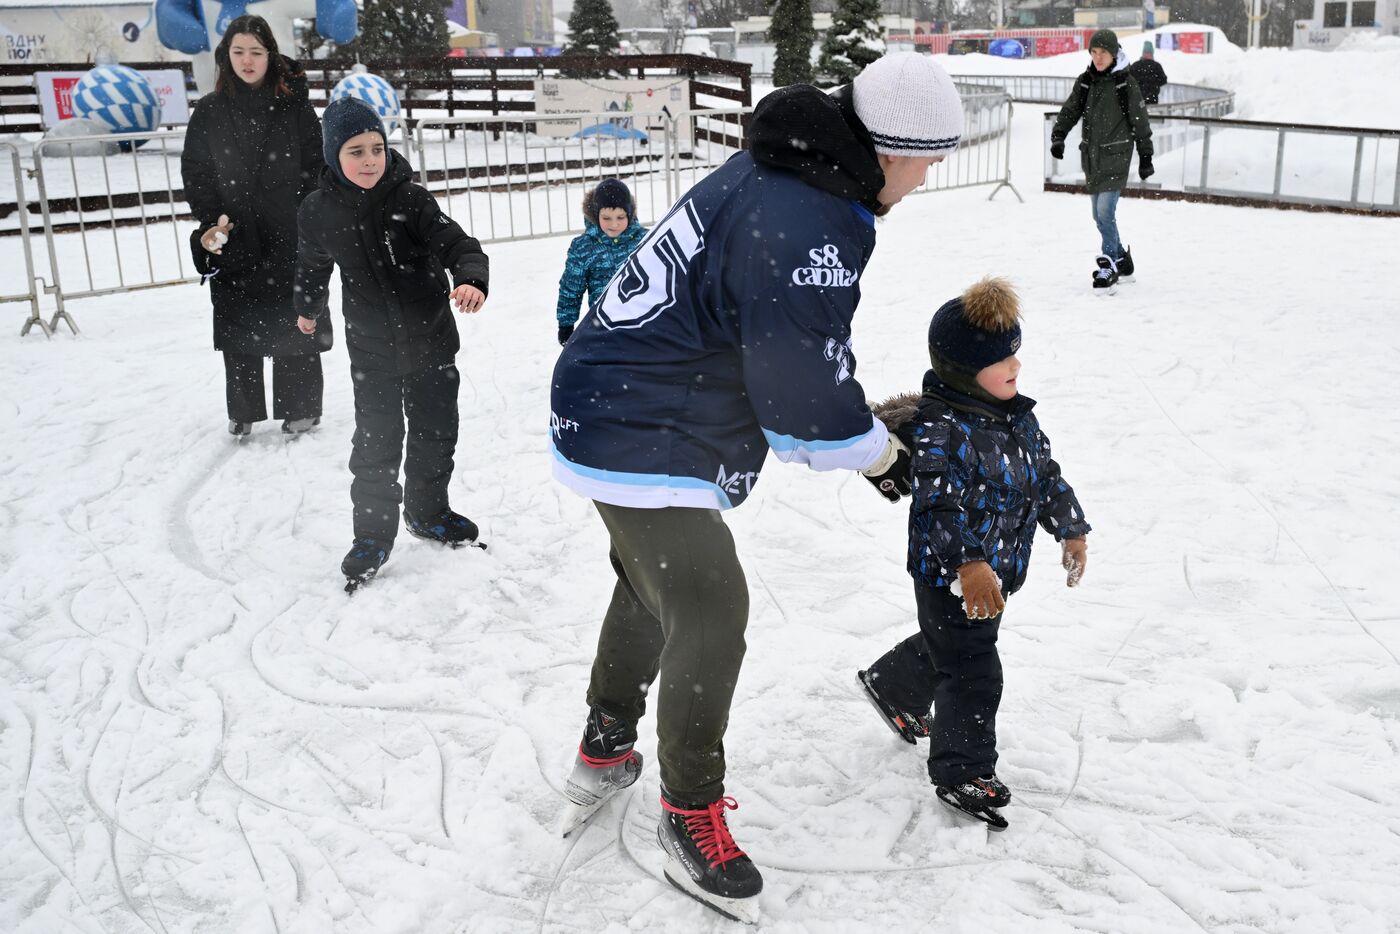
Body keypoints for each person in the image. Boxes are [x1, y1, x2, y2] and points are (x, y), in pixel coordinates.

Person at [549, 52, 964, 922]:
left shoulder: (795, 170)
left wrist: (857, 425)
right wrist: (879, 454)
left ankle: (606, 740)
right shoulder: (808, 216)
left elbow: (787, 347)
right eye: (927, 161)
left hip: (624, 396)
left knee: (655, 578)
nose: (926, 179)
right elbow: (799, 392)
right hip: (642, 414)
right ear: (893, 150)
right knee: (710, 603)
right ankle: (687, 810)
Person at [855, 276, 1091, 831]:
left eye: (1015, 353)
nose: (1015, 365)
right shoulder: (942, 429)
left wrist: (1071, 528)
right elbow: (936, 506)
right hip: (950, 574)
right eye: (1000, 359)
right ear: (964, 370)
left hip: (996, 567)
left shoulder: (1016, 416)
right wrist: (969, 563)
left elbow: (1044, 476)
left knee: (954, 645)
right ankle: (963, 771)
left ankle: (893, 686)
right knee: (974, 671)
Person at [293, 98, 490, 587]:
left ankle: (428, 512)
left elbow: (457, 243)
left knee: (435, 433)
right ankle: (372, 536)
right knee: (376, 444)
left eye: (377, 148)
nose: (370, 160)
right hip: (372, 350)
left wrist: (470, 277)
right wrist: (308, 307)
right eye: (356, 151)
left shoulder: (410, 200)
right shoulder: (318, 211)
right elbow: (312, 265)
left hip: (431, 341)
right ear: (333, 155)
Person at [181, 14, 329, 439]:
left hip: (290, 232)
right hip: (234, 232)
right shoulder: (209, 110)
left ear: (270, 56)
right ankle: (244, 409)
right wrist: (211, 220)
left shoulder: (294, 106)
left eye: (256, 52)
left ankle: (301, 407)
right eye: (239, 51)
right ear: (226, 56)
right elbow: (197, 171)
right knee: (237, 322)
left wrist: (307, 213)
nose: (247, 61)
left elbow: (315, 165)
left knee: (297, 318)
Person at [1049, 28, 1155, 291]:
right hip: (1092, 158)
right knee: (1098, 215)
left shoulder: (1125, 84)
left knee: (1106, 212)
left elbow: (1140, 121)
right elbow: (1070, 110)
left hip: (1116, 157)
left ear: (1114, 54)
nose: (1098, 58)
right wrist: (1059, 136)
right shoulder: (1086, 82)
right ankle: (1122, 259)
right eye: (1094, 52)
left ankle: (1109, 265)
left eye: (1103, 53)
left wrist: (1146, 155)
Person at [554, 178, 647, 346]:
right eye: (606, 218)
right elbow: (571, 288)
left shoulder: (645, 240)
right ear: (596, 215)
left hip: (643, 321)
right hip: (603, 324)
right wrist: (566, 324)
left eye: (620, 217)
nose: (614, 224)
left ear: (630, 214)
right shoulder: (584, 247)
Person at [1129, 40, 1168, 105]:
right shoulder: (1156, 66)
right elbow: (1163, 80)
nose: (1148, 54)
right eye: (1147, 53)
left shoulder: (1135, 65)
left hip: (1138, 98)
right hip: (1152, 98)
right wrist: (1154, 85)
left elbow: (1129, 80)